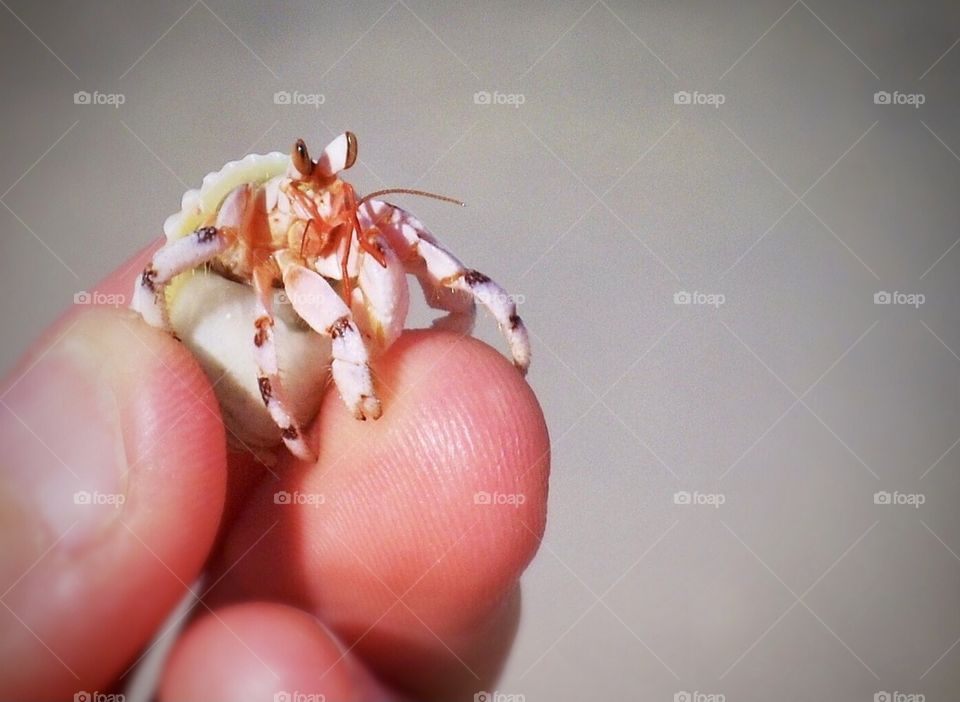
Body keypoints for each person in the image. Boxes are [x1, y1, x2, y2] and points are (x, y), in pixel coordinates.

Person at [0, 243, 550, 701]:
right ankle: (286, 417)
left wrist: (463, 308)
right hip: (244, 306)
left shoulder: (334, 224)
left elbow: (396, 244)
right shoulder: (259, 227)